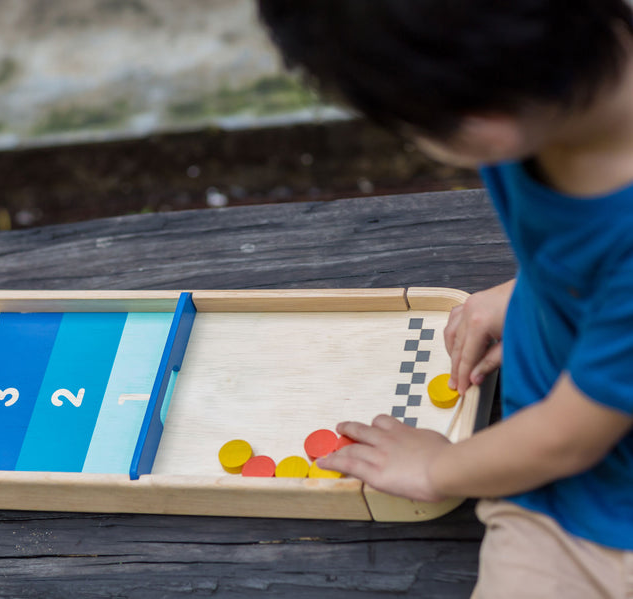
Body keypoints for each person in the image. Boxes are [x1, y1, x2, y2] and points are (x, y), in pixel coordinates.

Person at [257, 2, 633, 597]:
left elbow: (567, 438)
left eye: (410, 124)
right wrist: (531, 292)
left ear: (482, 116)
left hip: (590, 510)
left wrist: (438, 468)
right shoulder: (554, 94)